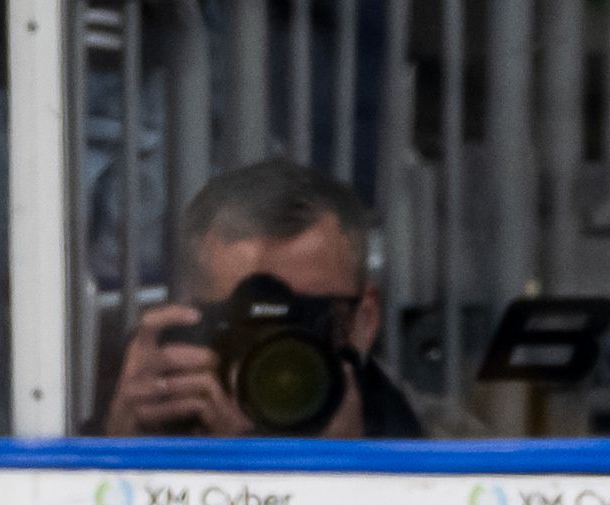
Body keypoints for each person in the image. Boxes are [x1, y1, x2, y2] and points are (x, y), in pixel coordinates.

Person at [96, 157, 428, 440]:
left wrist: (357, 465)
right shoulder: (165, 415)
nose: (279, 357)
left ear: (365, 321)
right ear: (193, 320)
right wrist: (123, 452)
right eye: (247, 316)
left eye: (308, 315)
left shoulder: (432, 456)